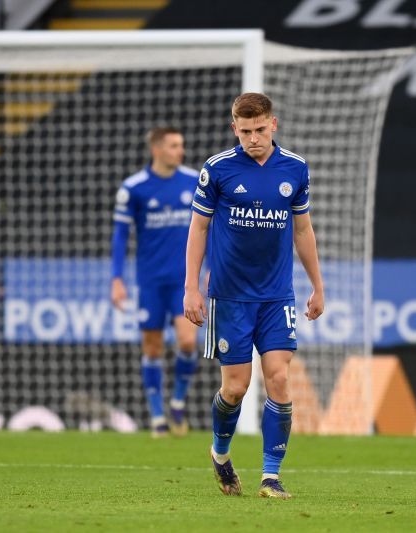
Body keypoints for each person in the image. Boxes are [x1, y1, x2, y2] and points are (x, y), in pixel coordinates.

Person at [184, 93, 325, 499]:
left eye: (260, 130)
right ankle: (221, 453)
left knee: (279, 377)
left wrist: (318, 285)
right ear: (234, 128)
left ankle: (270, 476)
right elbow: (198, 229)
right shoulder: (218, 169)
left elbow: (302, 230)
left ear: (273, 125)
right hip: (229, 296)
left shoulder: (295, 169)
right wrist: (191, 287)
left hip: (277, 295)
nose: (253, 138)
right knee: (236, 389)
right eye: (245, 131)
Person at [111, 127, 200, 437]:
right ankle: (158, 416)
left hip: (183, 280)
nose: (181, 151)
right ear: (157, 149)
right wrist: (117, 279)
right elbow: (121, 235)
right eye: (175, 145)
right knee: (152, 348)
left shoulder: (193, 181)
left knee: (188, 341)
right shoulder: (134, 188)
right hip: (150, 281)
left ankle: (177, 402)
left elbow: (208, 228)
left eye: (182, 145)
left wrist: (210, 267)